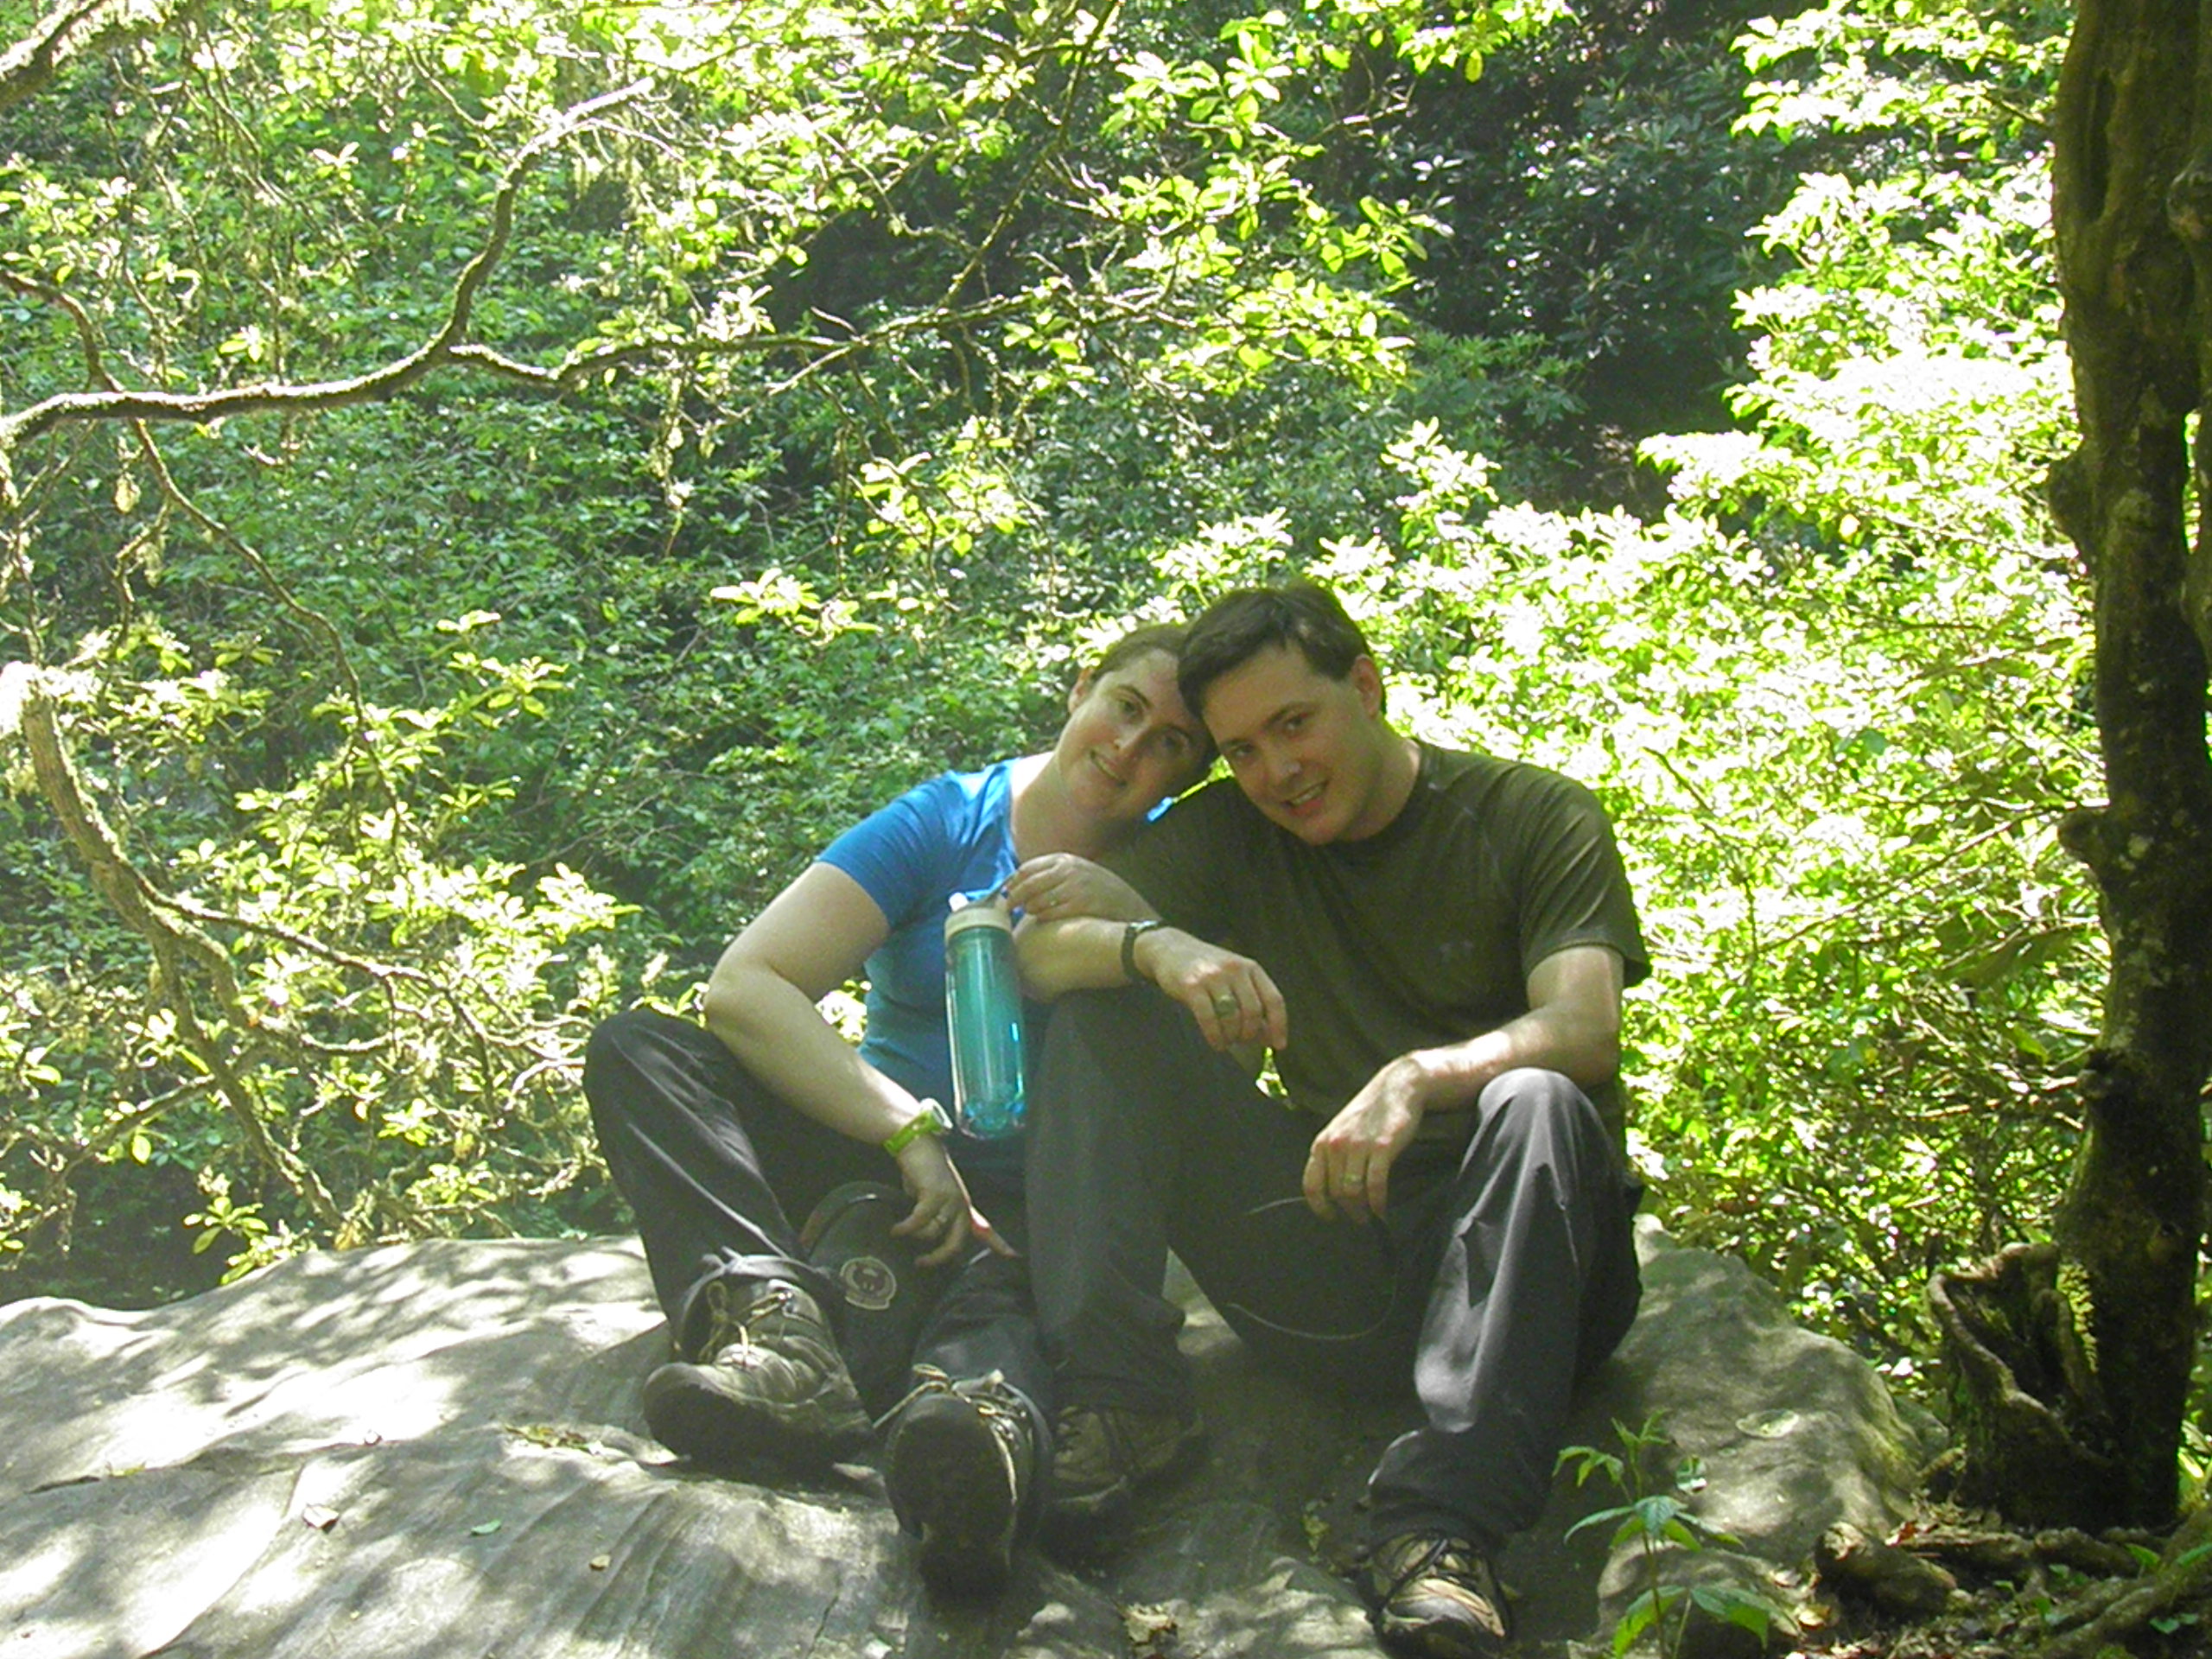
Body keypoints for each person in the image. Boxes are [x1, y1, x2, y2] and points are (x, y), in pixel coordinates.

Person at [1015, 580, 1648, 1659]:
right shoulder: (1236, 835)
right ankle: (1124, 1403)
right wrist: (1157, 948)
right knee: (1106, 1014)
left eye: (1294, 724)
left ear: (1365, 686)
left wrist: (1416, 1077)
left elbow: (1583, 1027)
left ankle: (1440, 1534)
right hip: (1342, 1265)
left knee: (1535, 1095)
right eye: (1242, 751)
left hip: (1536, 1285)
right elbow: (1037, 957)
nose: (1277, 771)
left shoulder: (1533, 815)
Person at [582, 622, 1210, 1597]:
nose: (1130, 749)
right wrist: (904, 1130)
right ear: (1082, 687)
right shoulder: (946, 819)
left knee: (997, 1330)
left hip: (1040, 1219)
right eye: (1124, 708)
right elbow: (746, 985)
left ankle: (971, 1460)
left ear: (1190, 772)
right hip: (876, 1162)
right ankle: (777, 1333)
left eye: (1169, 742)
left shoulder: (1178, 862)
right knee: (640, 1050)